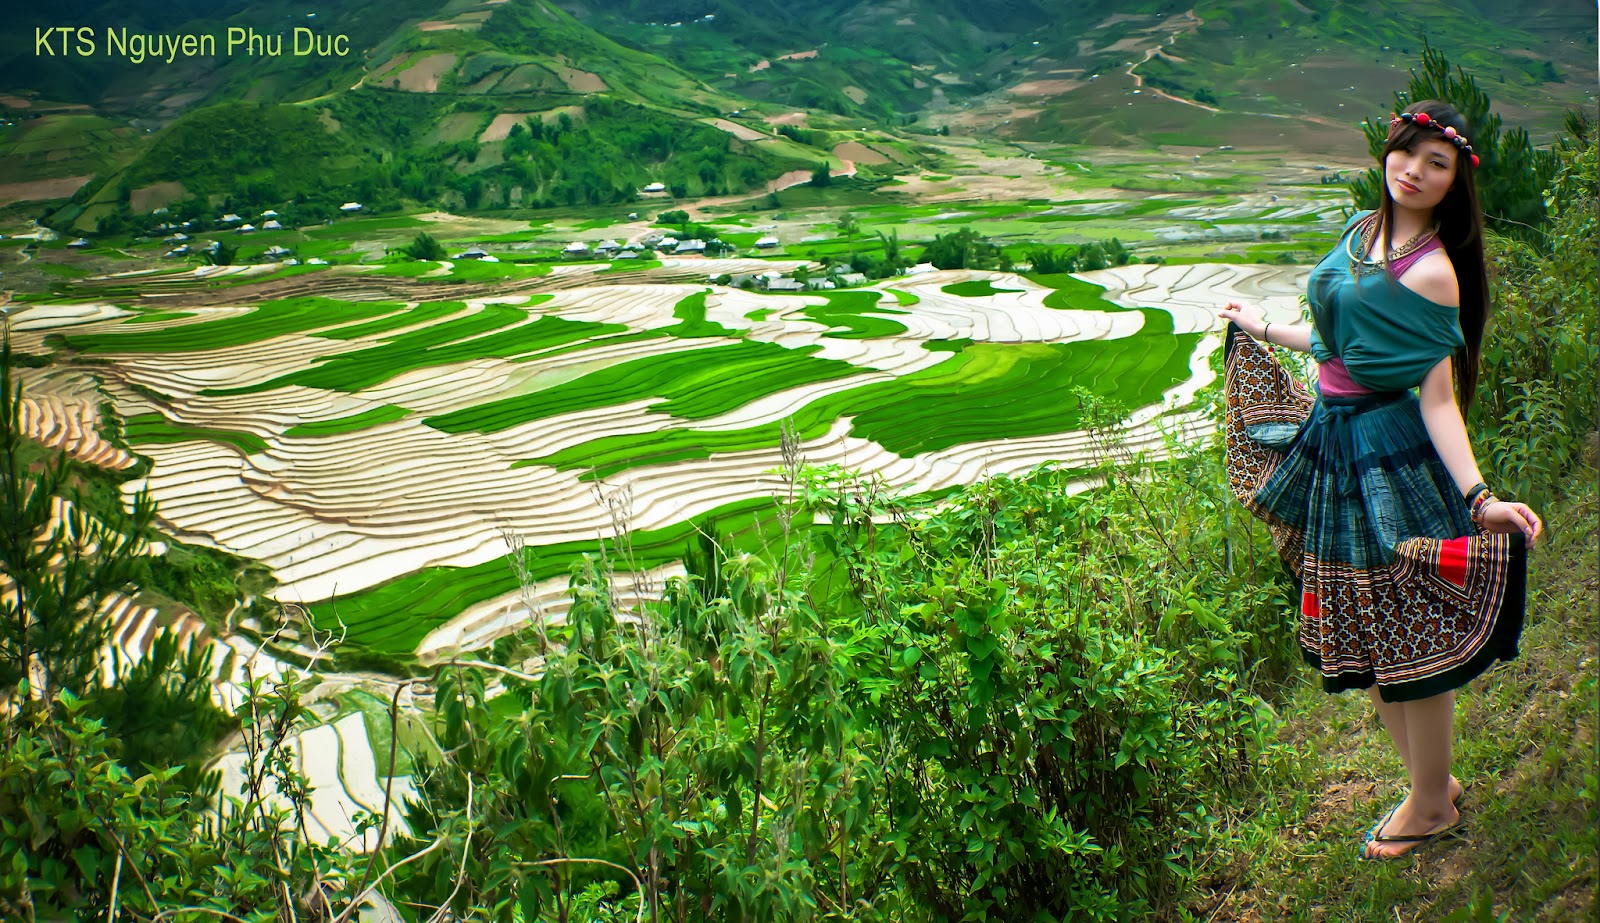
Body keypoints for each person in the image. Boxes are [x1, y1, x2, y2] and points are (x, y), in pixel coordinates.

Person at [1216, 100, 1544, 861]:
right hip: (1332, 440)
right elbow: (1335, 341)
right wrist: (1261, 325)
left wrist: (1478, 497)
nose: (1417, 170)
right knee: (1364, 623)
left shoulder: (1431, 271)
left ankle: (1431, 801)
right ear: (1389, 151)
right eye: (1409, 152)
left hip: (1385, 451)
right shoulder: (1363, 230)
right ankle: (1431, 785)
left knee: (1404, 622)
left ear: (1456, 179)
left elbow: (1437, 396)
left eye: (1439, 162)